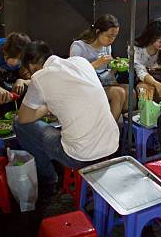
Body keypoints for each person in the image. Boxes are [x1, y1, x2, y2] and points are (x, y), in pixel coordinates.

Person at [14, 41, 119, 190]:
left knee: (18, 124)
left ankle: (48, 178)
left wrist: (47, 106)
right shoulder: (81, 62)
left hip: (80, 156)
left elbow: (23, 117)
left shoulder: (40, 77)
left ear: (31, 66)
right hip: (111, 145)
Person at [70, 14, 130, 122]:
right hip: (86, 88)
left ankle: (125, 131)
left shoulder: (107, 46)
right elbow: (73, 73)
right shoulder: (78, 47)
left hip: (104, 83)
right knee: (118, 93)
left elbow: (107, 72)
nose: (112, 40)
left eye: (115, 36)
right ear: (98, 32)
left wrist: (115, 66)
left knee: (130, 92)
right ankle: (108, 131)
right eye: (109, 36)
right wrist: (97, 63)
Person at [134, 18, 161, 101]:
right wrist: (156, 84)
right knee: (146, 89)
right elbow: (141, 72)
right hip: (143, 81)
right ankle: (147, 113)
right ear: (151, 36)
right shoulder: (137, 48)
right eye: (159, 39)